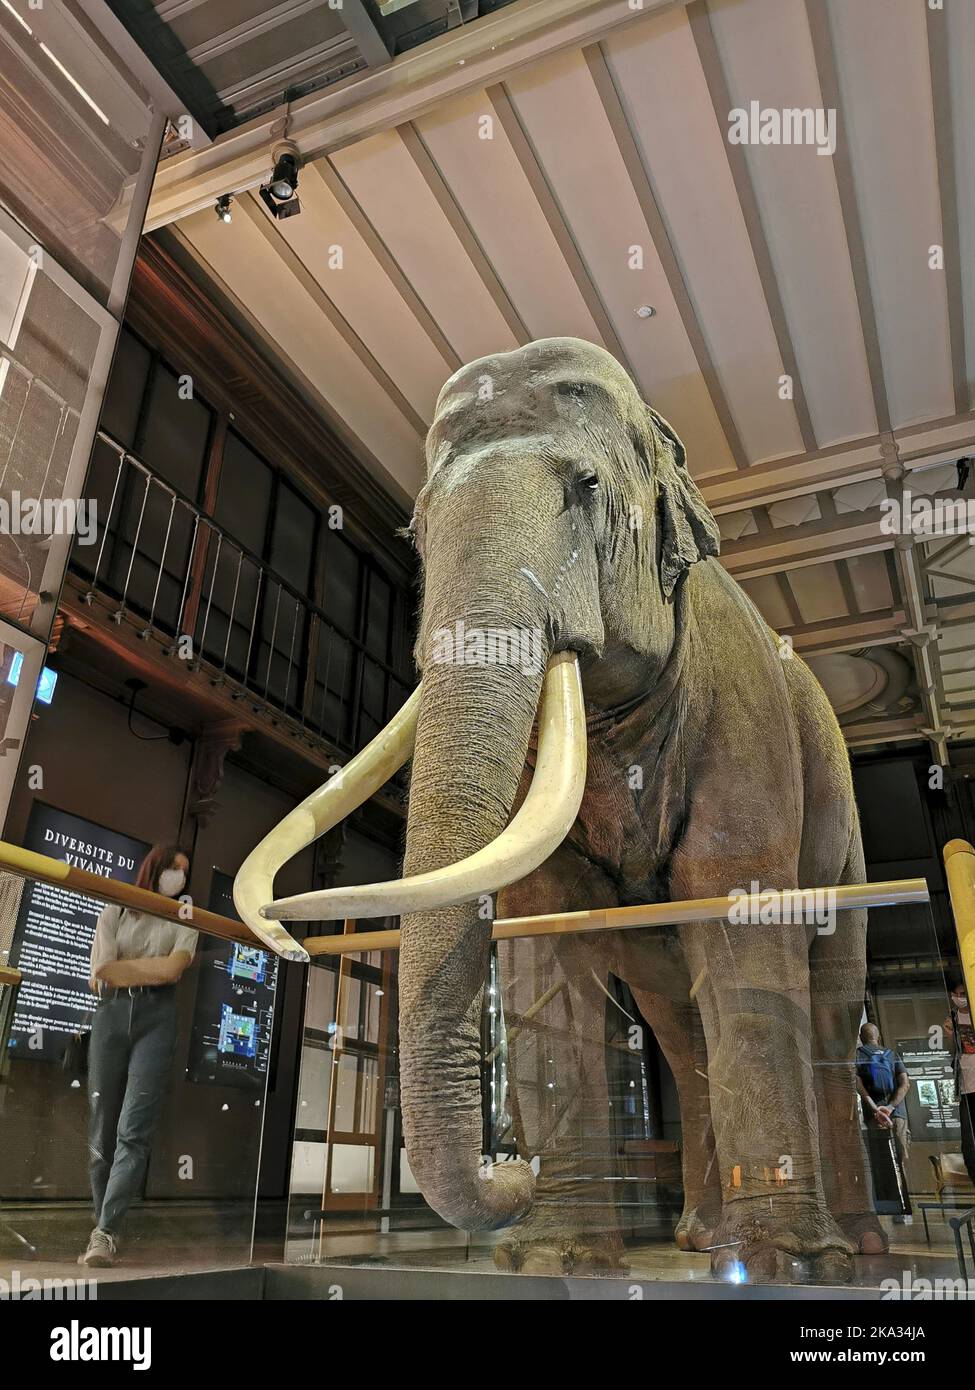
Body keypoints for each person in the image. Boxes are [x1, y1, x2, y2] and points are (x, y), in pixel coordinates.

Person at [79, 845, 197, 1268]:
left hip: (157, 1017)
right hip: (111, 1015)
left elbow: (172, 971)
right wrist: (152, 967)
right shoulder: (116, 908)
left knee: (134, 1128)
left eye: (184, 872)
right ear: (155, 867)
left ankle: (106, 1230)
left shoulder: (186, 916)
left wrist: (130, 969)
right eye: (172, 868)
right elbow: (103, 972)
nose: (178, 878)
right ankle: (102, 1222)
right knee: (102, 1125)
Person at [855, 1022, 912, 1218]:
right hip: (897, 1114)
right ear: (877, 1036)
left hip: (876, 1115)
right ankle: (904, 1203)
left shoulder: (859, 1055)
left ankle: (887, 1202)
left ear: (862, 1038)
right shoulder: (892, 1054)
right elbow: (905, 1084)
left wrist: (876, 1109)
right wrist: (891, 1107)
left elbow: (858, 1085)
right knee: (901, 1157)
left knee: (880, 1159)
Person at [944, 979, 975, 1185]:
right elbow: (951, 1054)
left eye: (964, 993)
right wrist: (949, 1036)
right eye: (958, 994)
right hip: (965, 1087)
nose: (960, 997)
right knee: (969, 1143)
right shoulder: (952, 1019)